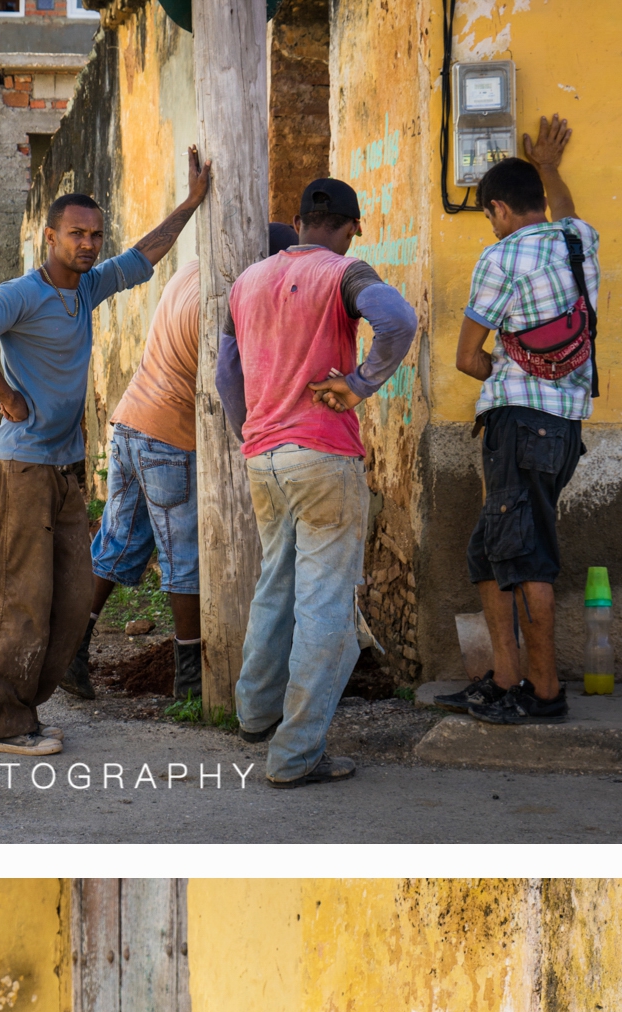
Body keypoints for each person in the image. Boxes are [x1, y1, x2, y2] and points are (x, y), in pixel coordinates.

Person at [0, 149, 212, 757]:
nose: (88, 244)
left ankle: (27, 713)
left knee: (67, 600)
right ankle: (2, 723)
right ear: (51, 237)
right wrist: (7, 397)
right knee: (22, 598)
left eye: (95, 234)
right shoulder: (23, 293)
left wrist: (191, 204)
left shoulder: (86, 288)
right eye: (76, 234)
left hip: (63, 469)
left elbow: (144, 256)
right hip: (21, 468)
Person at [216, 178, 418, 787]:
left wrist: (249, 429)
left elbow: (227, 369)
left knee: (275, 584)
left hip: (264, 457)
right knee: (325, 605)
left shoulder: (248, 281)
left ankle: (255, 716)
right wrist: (358, 383)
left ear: (298, 221)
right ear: (351, 225)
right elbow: (399, 320)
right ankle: (297, 754)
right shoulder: (344, 272)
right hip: (323, 455)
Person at [66, 224, 301, 705]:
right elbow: (231, 381)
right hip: (170, 439)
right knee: (185, 560)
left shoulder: (191, 272)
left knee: (116, 543)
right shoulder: (226, 300)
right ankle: (192, 678)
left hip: (131, 424)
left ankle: (72, 651)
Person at [434, 116, 597, 726]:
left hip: (520, 425)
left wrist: (508, 371)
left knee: (525, 556)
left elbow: (466, 356)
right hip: (566, 428)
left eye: (489, 214)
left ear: (499, 209)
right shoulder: (578, 242)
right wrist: (550, 164)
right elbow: (567, 209)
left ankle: (545, 691)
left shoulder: (500, 257)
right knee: (489, 552)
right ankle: (504, 679)